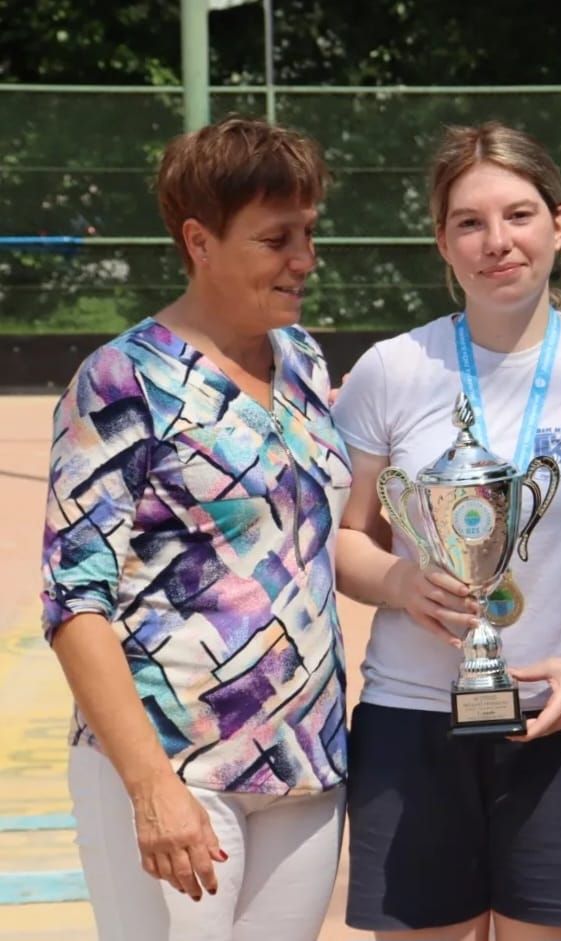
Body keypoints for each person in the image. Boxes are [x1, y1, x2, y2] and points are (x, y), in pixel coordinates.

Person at [331, 121, 561, 941]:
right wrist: (400, 581)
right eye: (470, 222)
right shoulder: (391, 370)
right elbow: (344, 541)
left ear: (560, 224)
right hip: (412, 722)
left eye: (519, 215)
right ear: (443, 242)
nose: (497, 241)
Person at [40, 116, 350, 941]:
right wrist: (151, 786)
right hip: (175, 769)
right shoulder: (122, 380)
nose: (304, 259)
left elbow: (307, 546)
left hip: (306, 764)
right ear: (199, 241)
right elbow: (74, 603)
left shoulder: (305, 360)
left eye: (309, 233)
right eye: (276, 239)